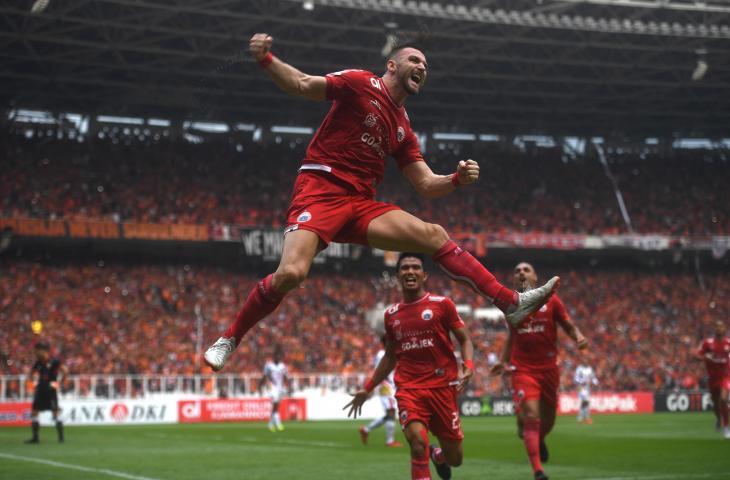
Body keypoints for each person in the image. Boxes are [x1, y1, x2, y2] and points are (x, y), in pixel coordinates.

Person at [203, 33, 559, 371]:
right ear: (392, 65)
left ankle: (509, 303)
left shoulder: (403, 125)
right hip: (321, 188)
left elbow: (424, 183)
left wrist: (455, 179)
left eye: (426, 65)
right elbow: (301, 84)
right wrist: (265, 58)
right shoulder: (360, 83)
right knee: (292, 273)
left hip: (360, 204)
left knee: (433, 234)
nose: (422, 67)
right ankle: (229, 339)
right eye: (415, 60)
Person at [345, 253, 474, 480]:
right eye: (405, 268)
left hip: (443, 387)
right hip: (409, 389)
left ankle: (439, 455)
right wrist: (368, 388)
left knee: (456, 458)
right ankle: (427, 454)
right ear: (398, 276)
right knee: (417, 443)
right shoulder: (391, 315)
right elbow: (390, 356)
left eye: (415, 267)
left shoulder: (442, 305)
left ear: (424, 275)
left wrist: (469, 365)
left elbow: (465, 339)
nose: (410, 271)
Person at [490, 262, 587, 480]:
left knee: (548, 421)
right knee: (532, 416)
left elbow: (568, 325)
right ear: (514, 280)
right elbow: (512, 336)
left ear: (535, 277)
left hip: (549, 370)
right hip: (522, 369)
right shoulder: (510, 304)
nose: (521, 273)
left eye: (526, 270)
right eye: (517, 271)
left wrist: (578, 337)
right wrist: (504, 361)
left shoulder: (552, 301)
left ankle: (537, 438)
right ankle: (538, 470)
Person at [358, 335, 403, 448]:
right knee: (391, 411)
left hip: (387, 384)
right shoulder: (383, 354)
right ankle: (390, 441)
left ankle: (366, 429)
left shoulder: (381, 354)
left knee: (389, 413)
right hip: (385, 384)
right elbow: (382, 369)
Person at [25, 342, 67, 444]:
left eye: (37, 351)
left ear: (43, 351)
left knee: (55, 412)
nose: (35, 353)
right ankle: (35, 438)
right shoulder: (38, 363)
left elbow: (65, 371)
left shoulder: (54, 361)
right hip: (40, 390)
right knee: (34, 412)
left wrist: (60, 383)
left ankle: (61, 438)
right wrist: (31, 383)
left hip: (50, 390)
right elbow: (31, 374)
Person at [695, 320, 730, 439]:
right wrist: (705, 357)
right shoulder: (707, 343)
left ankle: (726, 428)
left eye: (721, 327)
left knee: (724, 400)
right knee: (716, 404)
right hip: (712, 378)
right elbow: (698, 356)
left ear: (724, 329)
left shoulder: (728, 343)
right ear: (714, 329)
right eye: (717, 327)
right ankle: (718, 418)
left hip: (725, 376)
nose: (719, 329)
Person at [262, 346, 289, 432]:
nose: (278, 358)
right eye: (276, 356)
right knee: (275, 405)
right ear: (274, 357)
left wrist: (287, 385)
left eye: (279, 356)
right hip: (272, 387)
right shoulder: (269, 365)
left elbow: (285, 377)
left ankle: (270, 424)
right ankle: (278, 424)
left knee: (276, 406)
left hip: (279, 388)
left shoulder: (282, 366)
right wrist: (267, 384)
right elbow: (265, 376)